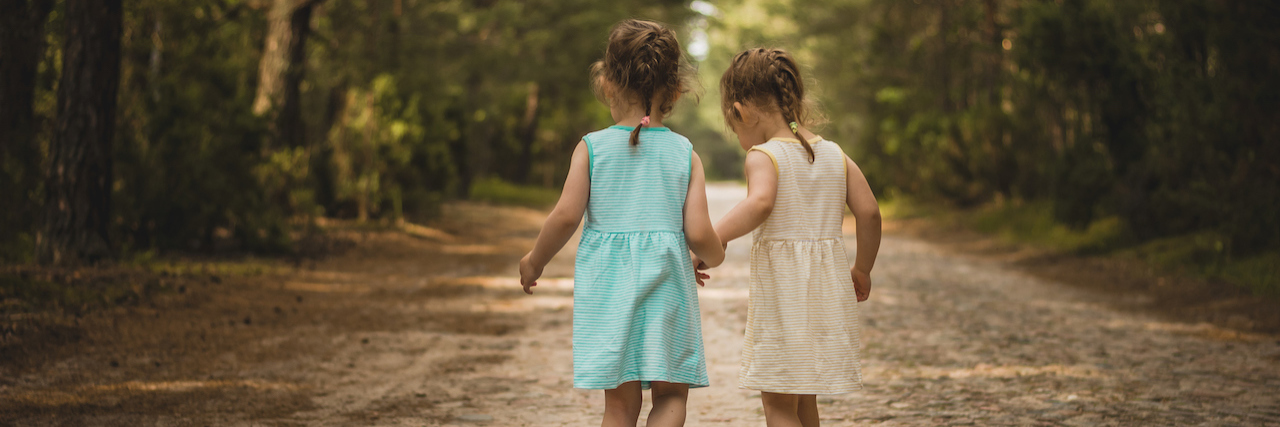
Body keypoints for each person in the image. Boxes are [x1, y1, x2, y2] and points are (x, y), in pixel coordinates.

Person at [517, 19, 725, 427]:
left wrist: (534, 261)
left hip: (608, 293)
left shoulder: (591, 148)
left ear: (608, 83)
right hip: (668, 290)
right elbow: (700, 234)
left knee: (618, 406)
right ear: (676, 91)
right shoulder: (685, 153)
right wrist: (711, 257)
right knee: (669, 396)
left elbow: (565, 217)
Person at [697, 47, 882, 427]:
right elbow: (870, 212)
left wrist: (716, 237)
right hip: (826, 295)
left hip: (785, 298)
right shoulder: (834, 154)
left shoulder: (765, 155)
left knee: (779, 405)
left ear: (742, 110)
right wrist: (862, 269)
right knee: (803, 400)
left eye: (736, 128)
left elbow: (761, 203)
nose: (740, 138)